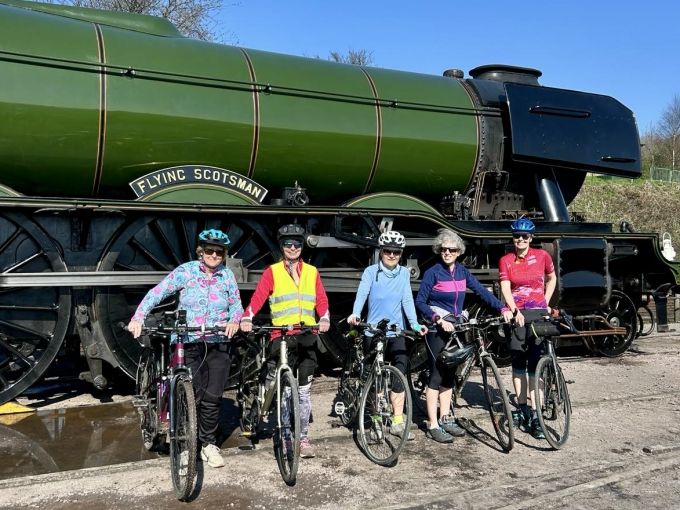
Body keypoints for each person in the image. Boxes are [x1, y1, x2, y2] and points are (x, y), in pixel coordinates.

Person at [128, 228, 243, 468]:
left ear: (224, 254)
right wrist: (138, 317)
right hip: (188, 340)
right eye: (209, 250)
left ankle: (208, 445)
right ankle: (184, 445)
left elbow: (236, 305)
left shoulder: (227, 276)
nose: (214, 255)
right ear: (201, 251)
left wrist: (234, 320)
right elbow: (157, 293)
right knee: (190, 395)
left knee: (212, 397)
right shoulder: (186, 271)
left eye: (219, 252)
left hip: (218, 340)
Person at [239, 224, 330, 459]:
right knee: (285, 392)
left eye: (297, 244)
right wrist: (247, 317)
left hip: (307, 335)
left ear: (301, 247)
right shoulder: (272, 272)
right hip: (281, 337)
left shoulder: (312, 272)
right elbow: (258, 297)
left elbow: (320, 299)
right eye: (288, 244)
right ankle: (286, 435)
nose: (292, 247)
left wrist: (325, 317)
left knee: (304, 393)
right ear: (282, 246)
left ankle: (303, 438)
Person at [415, 229, 514, 443]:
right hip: (437, 329)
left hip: (456, 328)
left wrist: (502, 308)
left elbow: (481, 291)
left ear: (459, 252)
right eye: (443, 249)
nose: (447, 253)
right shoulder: (433, 272)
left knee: (449, 374)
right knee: (436, 376)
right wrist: (437, 319)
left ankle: (446, 418)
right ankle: (432, 424)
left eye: (452, 250)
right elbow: (420, 301)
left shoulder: (462, 272)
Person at [348, 230, 427, 441]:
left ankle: (397, 421)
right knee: (375, 378)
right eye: (388, 251)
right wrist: (356, 313)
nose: (392, 255)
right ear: (381, 252)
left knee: (399, 375)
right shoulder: (370, 272)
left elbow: (407, 300)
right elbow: (362, 294)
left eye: (396, 252)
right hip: (373, 331)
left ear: (401, 254)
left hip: (396, 331)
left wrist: (415, 324)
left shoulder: (403, 274)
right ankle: (375, 421)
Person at [498, 217, 557, 440]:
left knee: (535, 364)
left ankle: (536, 414)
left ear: (531, 238)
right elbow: (505, 287)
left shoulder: (542, 256)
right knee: (518, 363)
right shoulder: (506, 260)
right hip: (519, 315)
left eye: (524, 236)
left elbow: (551, 278)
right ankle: (522, 407)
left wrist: (545, 301)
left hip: (538, 314)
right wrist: (514, 310)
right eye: (517, 236)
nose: (520, 240)